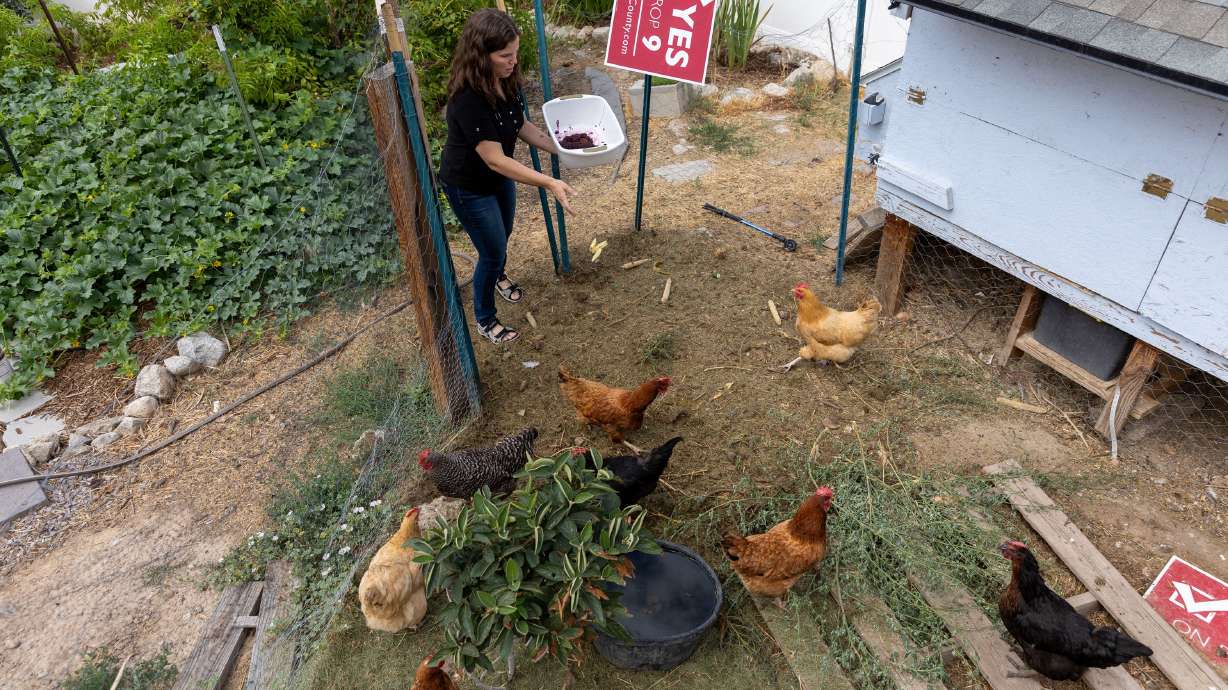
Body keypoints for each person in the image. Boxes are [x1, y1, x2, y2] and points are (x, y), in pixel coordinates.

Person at [440, 9, 576, 345]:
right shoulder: (466, 100)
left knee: (503, 234)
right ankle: (486, 319)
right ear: (480, 56)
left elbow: (520, 124)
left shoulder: (504, 81)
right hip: (469, 186)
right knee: (491, 251)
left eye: (514, 53)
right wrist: (548, 181)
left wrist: (560, 148)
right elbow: (496, 160)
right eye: (505, 56)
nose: (513, 61)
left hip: (497, 178)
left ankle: (498, 272)